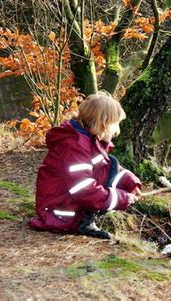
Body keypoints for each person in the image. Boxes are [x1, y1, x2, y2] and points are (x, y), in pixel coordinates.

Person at [29, 91, 142, 239]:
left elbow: (107, 168)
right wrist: (121, 198)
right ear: (103, 124)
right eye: (115, 125)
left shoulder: (89, 140)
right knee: (107, 169)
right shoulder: (74, 146)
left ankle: (88, 216)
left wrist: (132, 184)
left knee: (112, 162)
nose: (117, 131)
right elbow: (83, 189)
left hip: (69, 201)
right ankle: (85, 222)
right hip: (60, 212)